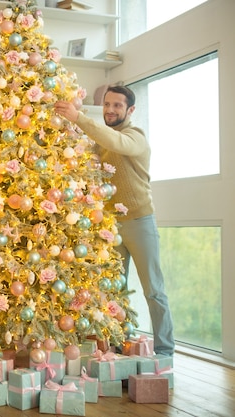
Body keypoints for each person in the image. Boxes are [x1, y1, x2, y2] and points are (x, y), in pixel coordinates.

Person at [54, 85, 175, 356]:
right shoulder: (100, 137)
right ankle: (121, 345)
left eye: (117, 105)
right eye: (107, 105)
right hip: (109, 226)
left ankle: (165, 351)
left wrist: (79, 118)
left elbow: (116, 142)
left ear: (130, 110)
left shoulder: (135, 136)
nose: (110, 110)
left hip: (139, 221)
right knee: (114, 290)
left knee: (153, 289)